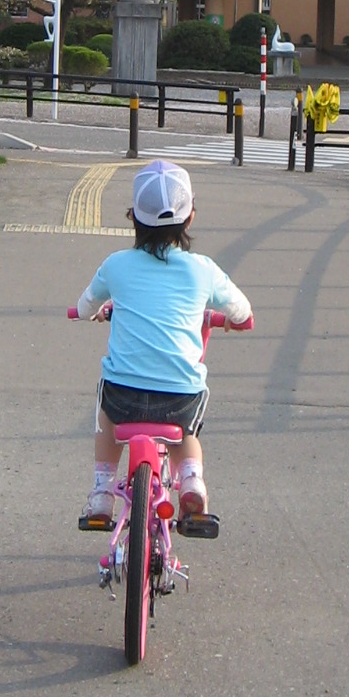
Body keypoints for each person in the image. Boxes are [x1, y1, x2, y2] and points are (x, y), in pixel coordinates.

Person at [75, 159, 253, 522]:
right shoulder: (203, 269)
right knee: (185, 432)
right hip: (178, 397)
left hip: (123, 396)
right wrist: (239, 321)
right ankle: (191, 481)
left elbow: (83, 307)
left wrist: (94, 312)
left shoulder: (115, 265)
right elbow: (242, 311)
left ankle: (102, 492)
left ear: (133, 218)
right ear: (190, 219)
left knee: (105, 416)